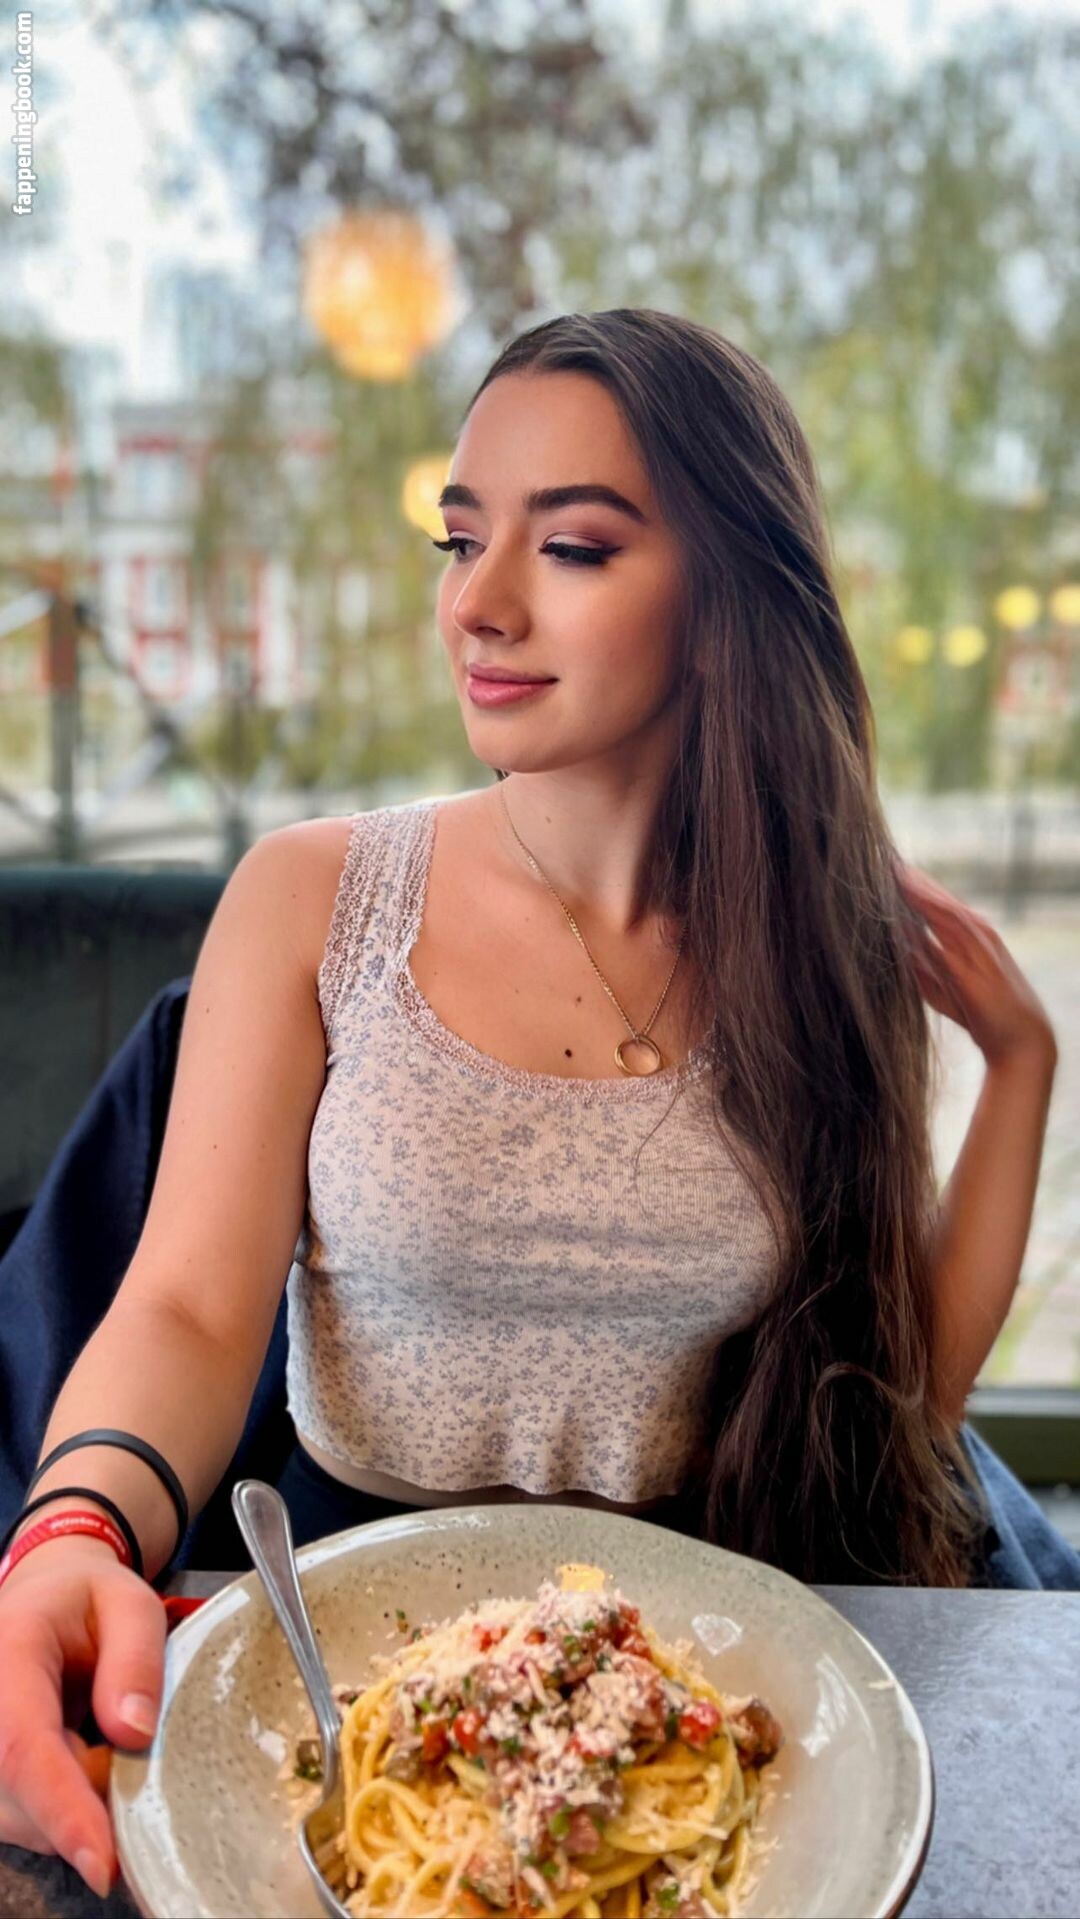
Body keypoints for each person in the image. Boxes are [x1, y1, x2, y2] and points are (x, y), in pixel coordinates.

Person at [0, 308, 1061, 1900]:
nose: (477, 604)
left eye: (569, 546)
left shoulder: (814, 947)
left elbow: (900, 1401)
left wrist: (1023, 1066)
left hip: (687, 1678)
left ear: (729, 596)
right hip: (343, 1663)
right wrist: (71, 1531)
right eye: (459, 536)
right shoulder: (312, 898)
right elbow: (191, 1308)